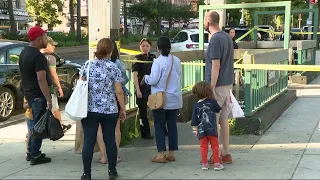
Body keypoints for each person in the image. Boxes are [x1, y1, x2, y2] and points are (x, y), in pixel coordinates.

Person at [80, 38, 126, 180]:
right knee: (110, 140)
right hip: (109, 109)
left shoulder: (88, 65)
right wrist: (122, 109)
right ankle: (112, 171)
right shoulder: (113, 67)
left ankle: (87, 173)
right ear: (110, 51)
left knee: (88, 140)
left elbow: (81, 86)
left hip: (90, 109)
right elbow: (118, 91)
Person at [141, 37, 182, 163]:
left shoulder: (158, 62)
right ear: (170, 47)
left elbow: (153, 80)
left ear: (157, 48)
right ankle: (171, 153)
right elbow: (179, 76)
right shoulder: (177, 60)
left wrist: (145, 78)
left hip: (161, 99)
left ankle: (161, 154)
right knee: (172, 126)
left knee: (159, 125)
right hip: (174, 98)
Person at [204, 11, 234, 164]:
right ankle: (226, 153)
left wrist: (211, 88)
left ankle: (215, 155)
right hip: (227, 84)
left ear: (208, 22)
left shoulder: (215, 40)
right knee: (224, 120)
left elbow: (216, 65)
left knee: (212, 121)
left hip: (217, 86)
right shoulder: (227, 37)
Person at [19, 26, 52, 165]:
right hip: (38, 96)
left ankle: (30, 151)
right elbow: (41, 79)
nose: (47, 40)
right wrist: (48, 99)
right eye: (45, 37)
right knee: (38, 126)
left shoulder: (24, 53)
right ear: (38, 39)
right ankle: (35, 155)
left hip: (29, 95)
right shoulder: (38, 57)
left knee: (33, 125)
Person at [97, 39, 130, 164]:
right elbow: (124, 81)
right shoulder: (117, 63)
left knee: (99, 129)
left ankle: (103, 156)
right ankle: (114, 156)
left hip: (97, 101)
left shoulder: (93, 64)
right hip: (114, 100)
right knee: (115, 129)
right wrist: (123, 108)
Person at [40, 36, 72, 132]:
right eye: (52, 45)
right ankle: (59, 127)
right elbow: (53, 75)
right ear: (47, 45)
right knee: (55, 108)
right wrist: (59, 88)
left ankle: (36, 129)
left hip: (37, 87)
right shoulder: (51, 58)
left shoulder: (36, 55)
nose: (54, 47)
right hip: (48, 88)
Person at [191, 81, 224, 171]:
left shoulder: (196, 105)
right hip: (212, 129)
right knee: (215, 146)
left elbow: (194, 120)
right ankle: (217, 164)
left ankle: (205, 164)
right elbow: (218, 108)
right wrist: (214, 98)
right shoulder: (212, 102)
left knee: (203, 147)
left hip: (202, 130)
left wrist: (196, 130)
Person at [132, 38, 155, 139]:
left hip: (152, 86)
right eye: (143, 46)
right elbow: (134, 75)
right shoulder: (137, 58)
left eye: (147, 46)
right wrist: (138, 89)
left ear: (150, 47)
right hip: (141, 87)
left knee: (157, 108)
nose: (145, 48)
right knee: (143, 111)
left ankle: (163, 129)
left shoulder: (153, 58)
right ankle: (145, 133)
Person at [23, 97, 33, 162]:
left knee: (31, 133)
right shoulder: (29, 92)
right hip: (30, 116)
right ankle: (29, 151)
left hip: (32, 115)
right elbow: (25, 106)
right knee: (30, 133)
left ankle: (30, 151)